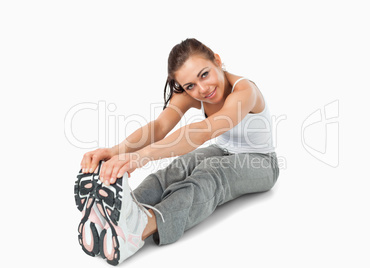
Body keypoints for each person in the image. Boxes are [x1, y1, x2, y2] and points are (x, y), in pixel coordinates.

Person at [74, 38, 279, 266]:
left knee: (210, 173)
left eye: (204, 74)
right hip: (223, 149)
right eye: (190, 85)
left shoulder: (245, 90)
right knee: (178, 168)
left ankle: (141, 227)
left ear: (217, 61)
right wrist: (115, 151)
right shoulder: (193, 94)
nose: (202, 89)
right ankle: (124, 210)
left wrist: (139, 157)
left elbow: (205, 130)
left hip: (262, 163)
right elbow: (159, 127)